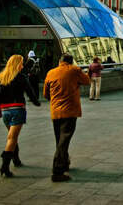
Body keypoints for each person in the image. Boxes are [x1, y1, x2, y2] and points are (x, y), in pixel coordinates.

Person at [44, 53, 91, 182]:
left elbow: (45, 93)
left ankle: (64, 163)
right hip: (70, 111)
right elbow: (87, 81)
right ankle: (57, 171)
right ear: (71, 61)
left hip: (55, 112)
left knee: (59, 139)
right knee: (64, 140)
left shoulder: (51, 72)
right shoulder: (74, 70)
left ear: (60, 61)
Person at [0, 54, 41, 177]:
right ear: (17, 64)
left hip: (5, 110)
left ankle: (16, 159)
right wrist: (37, 102)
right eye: (21, 63)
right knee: (12, 138)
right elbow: (30, 92)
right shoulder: (21, 77)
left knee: (12, 136)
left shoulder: (1, 77)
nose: (22, 65)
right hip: (17, 109)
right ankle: (4, 166)